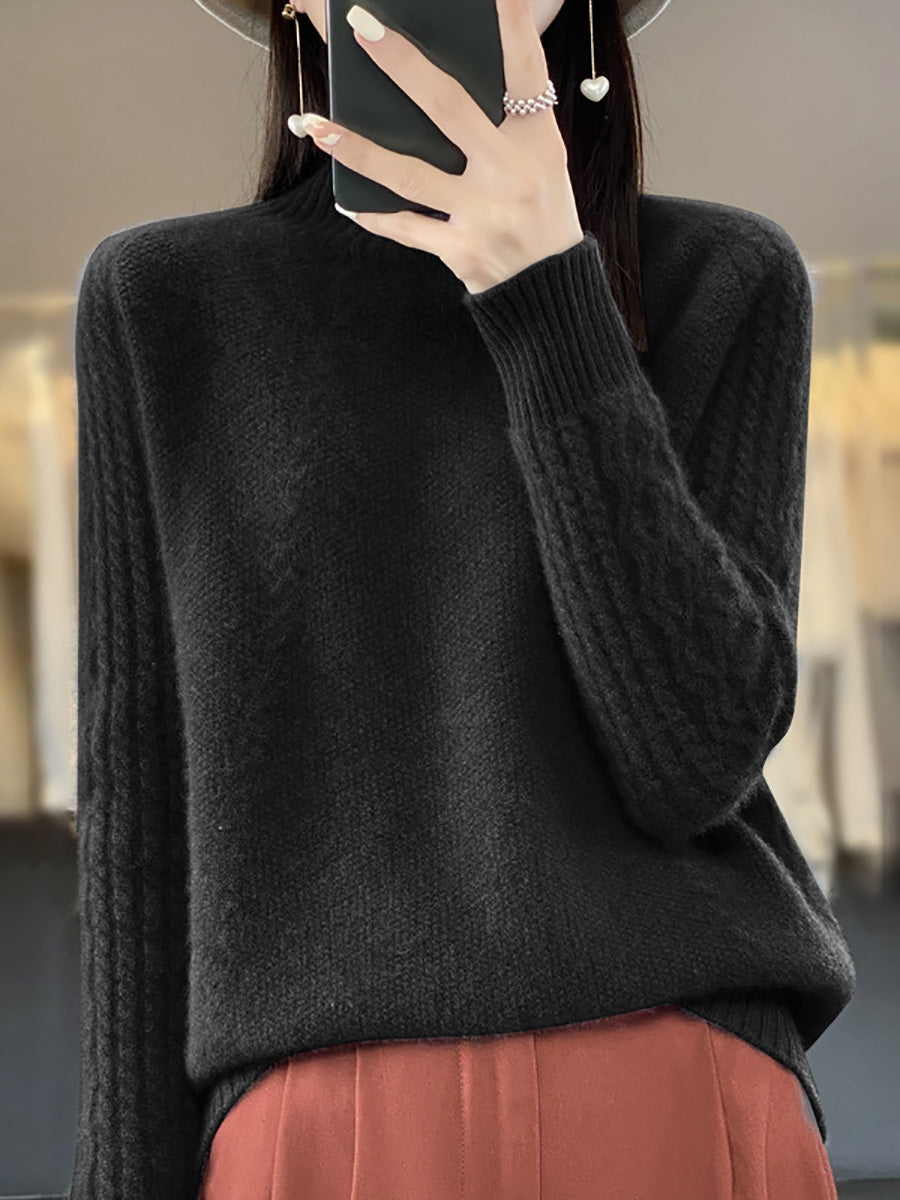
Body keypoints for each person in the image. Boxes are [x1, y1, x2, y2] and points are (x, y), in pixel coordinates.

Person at [66, 0, 856, 1196]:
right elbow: (137, 813)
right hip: (314, 1124)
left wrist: (548, 295)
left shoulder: (724, 277)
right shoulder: (163, 301)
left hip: (678, 1083)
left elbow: (695, 756)